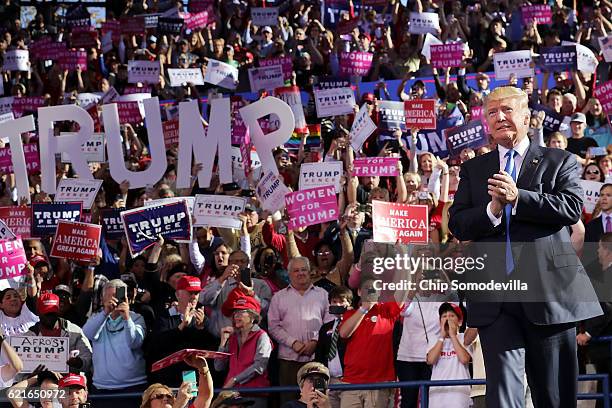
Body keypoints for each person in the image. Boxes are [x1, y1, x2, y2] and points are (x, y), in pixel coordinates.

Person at [449, 86, 601, 407]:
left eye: (506, 110)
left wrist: (518, 198)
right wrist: (491, 210)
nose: (499, 117)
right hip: (496, 299)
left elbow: (570, 208)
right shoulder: (475, 169)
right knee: (502, 396)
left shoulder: (560, 160)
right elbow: (458, 222)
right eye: (492, 112)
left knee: (553, 396)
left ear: (526, 116)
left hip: (549, 296)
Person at [268, 256, 331, 405]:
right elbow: (273, 326)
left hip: (316, 359)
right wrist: (293, 342)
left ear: (310, 272)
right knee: (289, 402)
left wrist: (315, 340)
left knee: (317, 401)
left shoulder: (322, 294)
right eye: (296, 270)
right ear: (289, 274)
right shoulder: (279, 297)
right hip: (289, 360)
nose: (300, 273)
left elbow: (329, 323)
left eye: (304, 270)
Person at [82, 279, 148, 406]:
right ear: (102, 300)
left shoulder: (137, 318)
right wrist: (105, 312)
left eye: (117, 296)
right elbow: (87, 334)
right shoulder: (97, 319)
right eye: (110, 297)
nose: (114, 301)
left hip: (133, 387)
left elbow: (135, 342)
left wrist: (127, 318)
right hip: (102, 389)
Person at [216, 289, 272, 408]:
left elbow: (259, 366)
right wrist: (223, 343)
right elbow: (218, 366)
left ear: (253, 316)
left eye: (241, 312)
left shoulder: (262, 336)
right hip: (232, 397)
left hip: (255, 395)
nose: (236, 316)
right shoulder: (232, 337)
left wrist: (234, 380)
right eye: (235, 313)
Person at [24, 292, 93, 375]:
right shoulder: (28, 337)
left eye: (52, 313)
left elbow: (88, 360)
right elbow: (19, 373)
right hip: (39, 384)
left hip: (69, 382)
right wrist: (31, 375)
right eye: (46, 313)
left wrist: (78, 362)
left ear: (58, 311)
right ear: (38, 312)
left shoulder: (74, 331)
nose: (50, 317)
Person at [426, 302, 473, 408]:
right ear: (440, 321)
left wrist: (452, 335)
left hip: (459, 394)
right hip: (436, 394)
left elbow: (465, 359)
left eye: (451, 316)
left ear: (459, 322)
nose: (447, 319)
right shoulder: (434, 339)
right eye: (444, 316)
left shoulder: (464, 338)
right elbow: (431, 360)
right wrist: (442, 337)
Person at [314, 286, 353, 408]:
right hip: (330, 380)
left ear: (349, 303)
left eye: (342, 301)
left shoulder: (356, 325)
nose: (338, 304)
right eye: (334, 302)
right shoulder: (325, 328)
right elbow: (319, 355)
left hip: (349, 379)